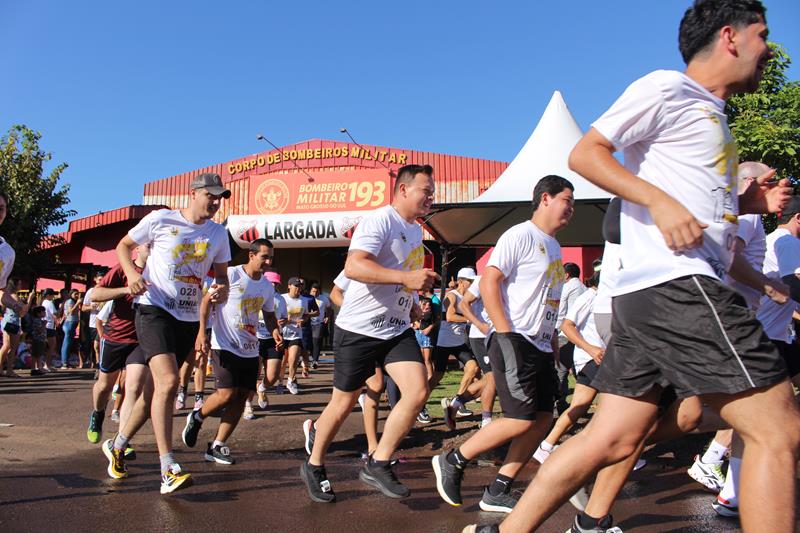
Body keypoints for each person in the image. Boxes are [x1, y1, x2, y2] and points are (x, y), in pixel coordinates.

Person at [481, 3, 800, 532]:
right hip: (678, 283)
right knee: (779, 429)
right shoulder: (667, 88)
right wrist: (658, 200)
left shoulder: (714, 115)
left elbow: (696, 207)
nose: (768, 48)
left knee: (612, 438)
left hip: (650, 294)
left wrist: (744, 206)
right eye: (762, 35)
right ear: (730, 37)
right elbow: (587, 153)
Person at [433, 175, 574, 515]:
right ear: (545, 198)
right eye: (566, 199)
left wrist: (552, 339)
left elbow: (546, 298)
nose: (571, 207)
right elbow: (492, 280)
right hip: (515, 340)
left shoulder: (553, 246)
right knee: (520, 418)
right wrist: (504, 329)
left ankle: (499, 489)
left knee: (542, 420)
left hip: (540, 344)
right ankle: (453, 460)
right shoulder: (520, 234)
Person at [300, 163, 438, 503]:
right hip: (359, 330)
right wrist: (406, 280)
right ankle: (315, 465)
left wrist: (411, 303)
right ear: (404, 190)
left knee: (417, 391)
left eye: (432, 191)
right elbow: (354, 266)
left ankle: (378, 462)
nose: (431, 197)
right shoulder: (380, 221)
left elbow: (399, 275)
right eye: (426, 190)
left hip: (395, 330)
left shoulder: (415, 231)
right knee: (344, 403)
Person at [112, 172, 231, 494]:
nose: (216, 202)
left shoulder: (219, 234)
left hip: (188, 317)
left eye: (220, 197)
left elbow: (222, 277)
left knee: (154, 393)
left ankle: (118, 444)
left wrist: (221, 291)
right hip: (154, 308)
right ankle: (168, 467)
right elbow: (124, 245)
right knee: (168, 383)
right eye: (211, 195)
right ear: (193, 193)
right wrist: (132, 273)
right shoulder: (161, 219)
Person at [181, 238, 281, 464]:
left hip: (250, 348)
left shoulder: (266, 286)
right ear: (251, 255)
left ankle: (217, 445)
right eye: (264, 256)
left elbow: (269, 314)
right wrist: (200, 333)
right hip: (224, 344)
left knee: (242, 396)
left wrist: (275, 331)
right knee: (226, 394)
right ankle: (197, 416)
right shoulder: (232, 275)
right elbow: (206, 301)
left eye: (271, 258)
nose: (268, 261)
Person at [87, 243, 151, 445]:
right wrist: (126, 288)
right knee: (105, 386)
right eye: (148, 243)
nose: (152, 247)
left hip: (141, 339)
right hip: (115, 337)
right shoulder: (124, 268)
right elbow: (95, 295)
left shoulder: (160, 271)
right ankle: (97, 414)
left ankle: (122, 441)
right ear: (138, 248)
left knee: (133, 387)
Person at [433, 267, 482, 430]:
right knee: (437, 377)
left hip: (459, 343)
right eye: (471, 281)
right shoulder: (451, 295)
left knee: (473, 367)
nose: (474, 284)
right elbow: (450, 316)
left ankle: (457, 402)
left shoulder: (469, 297)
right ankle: (417, 404)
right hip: (444, 343)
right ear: (461, 281)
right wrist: (470, 320)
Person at [245, 270, 287, 418]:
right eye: (271, 282)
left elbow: (285, 318)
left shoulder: (280, 300)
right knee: (252, 374)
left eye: (276, 283)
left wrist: (282, 322)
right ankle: (248, 405)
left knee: (273, 376)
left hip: (272, 339)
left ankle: (261, 388)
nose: (273, 285)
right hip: (254, 338)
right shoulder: (254, 294)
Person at [459, 275, 498, 428]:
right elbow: (463, 305)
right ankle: (486, 420)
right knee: (492, 377)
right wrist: (479, 324)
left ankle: (455, 403)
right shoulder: (483, 280)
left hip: (496, 335)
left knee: (496, 378)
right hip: (480, 336)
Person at [554, 263, 586, 414]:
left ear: (566, 274)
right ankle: (580, 404)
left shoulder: (567, 287)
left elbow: (560, 311)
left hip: (565, 334)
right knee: (579, 371)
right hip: (581, 335)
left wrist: (554, 329)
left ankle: (558, 403)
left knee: (560, 370)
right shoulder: (584, 288)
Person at [281, 277, 311, 395]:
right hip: (282, 333)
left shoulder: (303, 300)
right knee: (283, 362)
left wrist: (303, 320)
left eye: (299, 286)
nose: (298, 288)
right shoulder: (283, 298)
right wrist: (283, 320)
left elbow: (306, 315)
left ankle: (290, 380)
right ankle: (280, 382)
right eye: (295, 286)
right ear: (289, 286)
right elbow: (274, 314)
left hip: (296, 334)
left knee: (293, 360)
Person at [82, 272, 105, 368]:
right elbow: (83, 307)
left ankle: (101, 367)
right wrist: (91, 307)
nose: (101, 282)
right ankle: (97, 366)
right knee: (95, 347)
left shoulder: (109, 290)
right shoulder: (91, 291)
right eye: (100, 279)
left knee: (99, 345)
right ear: (95, 279)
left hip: (105, 323)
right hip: (93, 323)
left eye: (103, 279)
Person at [309, 281, 331, 369]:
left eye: (316, 291)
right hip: (308, 323)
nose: (314, 293)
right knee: (309, 343)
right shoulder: (307, 298)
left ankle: (315, 361)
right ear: (310, 291)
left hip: (319, 323)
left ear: (319, 291)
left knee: (316, 341)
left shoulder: (324, 299)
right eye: (313, 291)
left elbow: (329, 308)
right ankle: (308, 358)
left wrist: (327, 317)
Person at [60, 289, 81, 368]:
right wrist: (78, 303)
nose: (76, 295)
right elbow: (70, 312)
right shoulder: (70, 301)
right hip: (69, 323)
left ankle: (66, 361)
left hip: (72, 323)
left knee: (69, 343)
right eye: (75, 294)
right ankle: (64, 362)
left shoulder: (72, 301)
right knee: (67, 343)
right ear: (71, 294)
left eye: (77, 294)